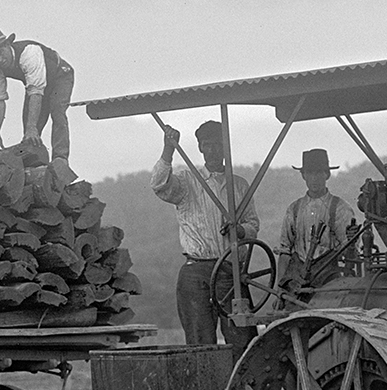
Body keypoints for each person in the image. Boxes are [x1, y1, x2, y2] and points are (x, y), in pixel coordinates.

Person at [153, 120, 256, 349]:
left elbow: (253, 224)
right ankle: (207, 384)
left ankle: (240, 385)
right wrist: (168, 150)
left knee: (243, 341)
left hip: (231, 273)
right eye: (207, 145)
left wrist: (239, 231)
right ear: (200, 147)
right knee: (200, 344)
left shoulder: (239, 185)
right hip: (196, 273)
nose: (213, 151)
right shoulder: (187, 182)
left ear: (225, 147)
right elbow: (159, 185)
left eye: (218, 145)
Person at [0, 27, 76, 163]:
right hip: (35, 84)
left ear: (8, 45)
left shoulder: (29, 52)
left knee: (57, 111)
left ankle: (60, 159)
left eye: (0, 53)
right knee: (28, 129)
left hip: (59, 77)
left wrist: (32, 128)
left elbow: (36, 92)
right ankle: (34, 163)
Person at [277, 149, 357, 290]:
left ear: (327, 175)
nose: (314, 178)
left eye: (319, 173)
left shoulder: (340, 209)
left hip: (328, 281)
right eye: (310, 173)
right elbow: (285, 252)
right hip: (296, 280)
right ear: (304, 176)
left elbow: (350, 252)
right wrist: (280, 290)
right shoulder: (294, 210)